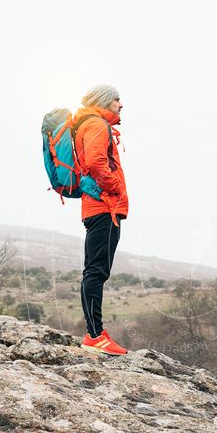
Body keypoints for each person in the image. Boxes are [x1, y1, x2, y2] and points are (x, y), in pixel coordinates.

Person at [73, 84, 129, 355]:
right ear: (105, 101)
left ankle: (94, 333)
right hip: (104, 207)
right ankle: (95, 335)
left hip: (98, 207)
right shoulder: (96, 125)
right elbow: (96, 163)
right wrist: (115, 187)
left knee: (94, 270)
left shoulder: (89, 123)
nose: (121, 104)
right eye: (117, 99)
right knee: (96, 271)